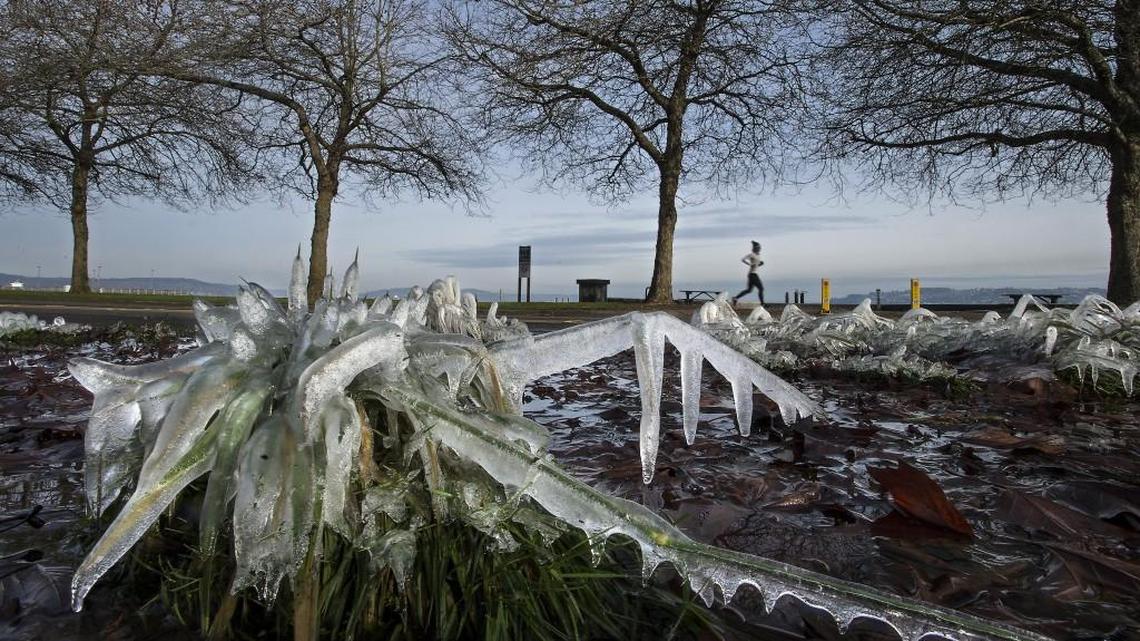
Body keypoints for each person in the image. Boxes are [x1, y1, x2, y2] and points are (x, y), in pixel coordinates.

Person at [733, 241, 764, 305]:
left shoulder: (758, 256)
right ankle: (763, 304)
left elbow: (756, 265)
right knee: (761, 288)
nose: (759, 249)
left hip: (753, 274)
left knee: (749, 290)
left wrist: (760, 264)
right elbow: (743, 259)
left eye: (760, 247)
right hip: (753, 274)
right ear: (755, 248)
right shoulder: (751, 255)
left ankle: (735, 298)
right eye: (758, 247)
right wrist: (749, 264)